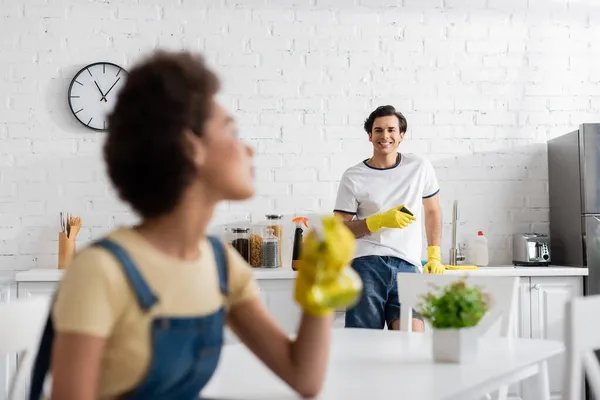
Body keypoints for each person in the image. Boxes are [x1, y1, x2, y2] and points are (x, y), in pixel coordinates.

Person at [29, 51, 360, 400]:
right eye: (231, 130)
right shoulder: (101, 270)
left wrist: (318, 293)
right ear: (192, 147)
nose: (249, 149)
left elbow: (303, 378)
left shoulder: (220, 263)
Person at [333, 105, 443, 332]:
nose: (385, 136)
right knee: (364, 343)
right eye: (378, 130)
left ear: (401, 135)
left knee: (412, 339)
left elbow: (432, 211)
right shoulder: (354, 176)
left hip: (409, 266)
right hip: (366, 265)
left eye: (391, 129)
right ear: (369, 136)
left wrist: (434, 254)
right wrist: (377, 221)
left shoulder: (419, 167)